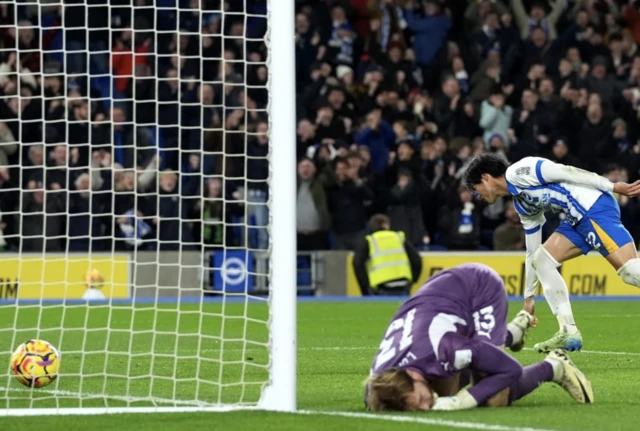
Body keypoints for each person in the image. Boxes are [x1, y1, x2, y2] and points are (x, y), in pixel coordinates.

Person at [463, 153, 640, 353]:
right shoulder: (522, 204)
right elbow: (531, 251)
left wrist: (613, 186)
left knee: (630, 271)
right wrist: (528, 300)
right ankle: (568, 331)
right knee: (542, 260)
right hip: (575, 220)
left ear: (486, 178)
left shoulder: (519, 171)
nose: (477, 195)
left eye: (475, 189)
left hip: (593, 206)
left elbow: (568, 172)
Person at [365, 263, 593, 411]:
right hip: (439, 303)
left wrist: (462, 401)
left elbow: (509, 370)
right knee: (444, 388)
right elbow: (375, 397)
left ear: (413, 378)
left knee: (493, 397)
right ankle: (513, 332)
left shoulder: (446, 350)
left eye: (422, 399)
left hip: (478, 288)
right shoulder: (381, 382)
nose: (426, 406)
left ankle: (554, 366)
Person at [352, 214, 422, 295]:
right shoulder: (399, 237)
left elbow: (357, 263)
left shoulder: (370, 241)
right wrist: (413, 280)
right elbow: (417, 260)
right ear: (385, 225)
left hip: (381, 285)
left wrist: (365, 286)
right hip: (403, 284)